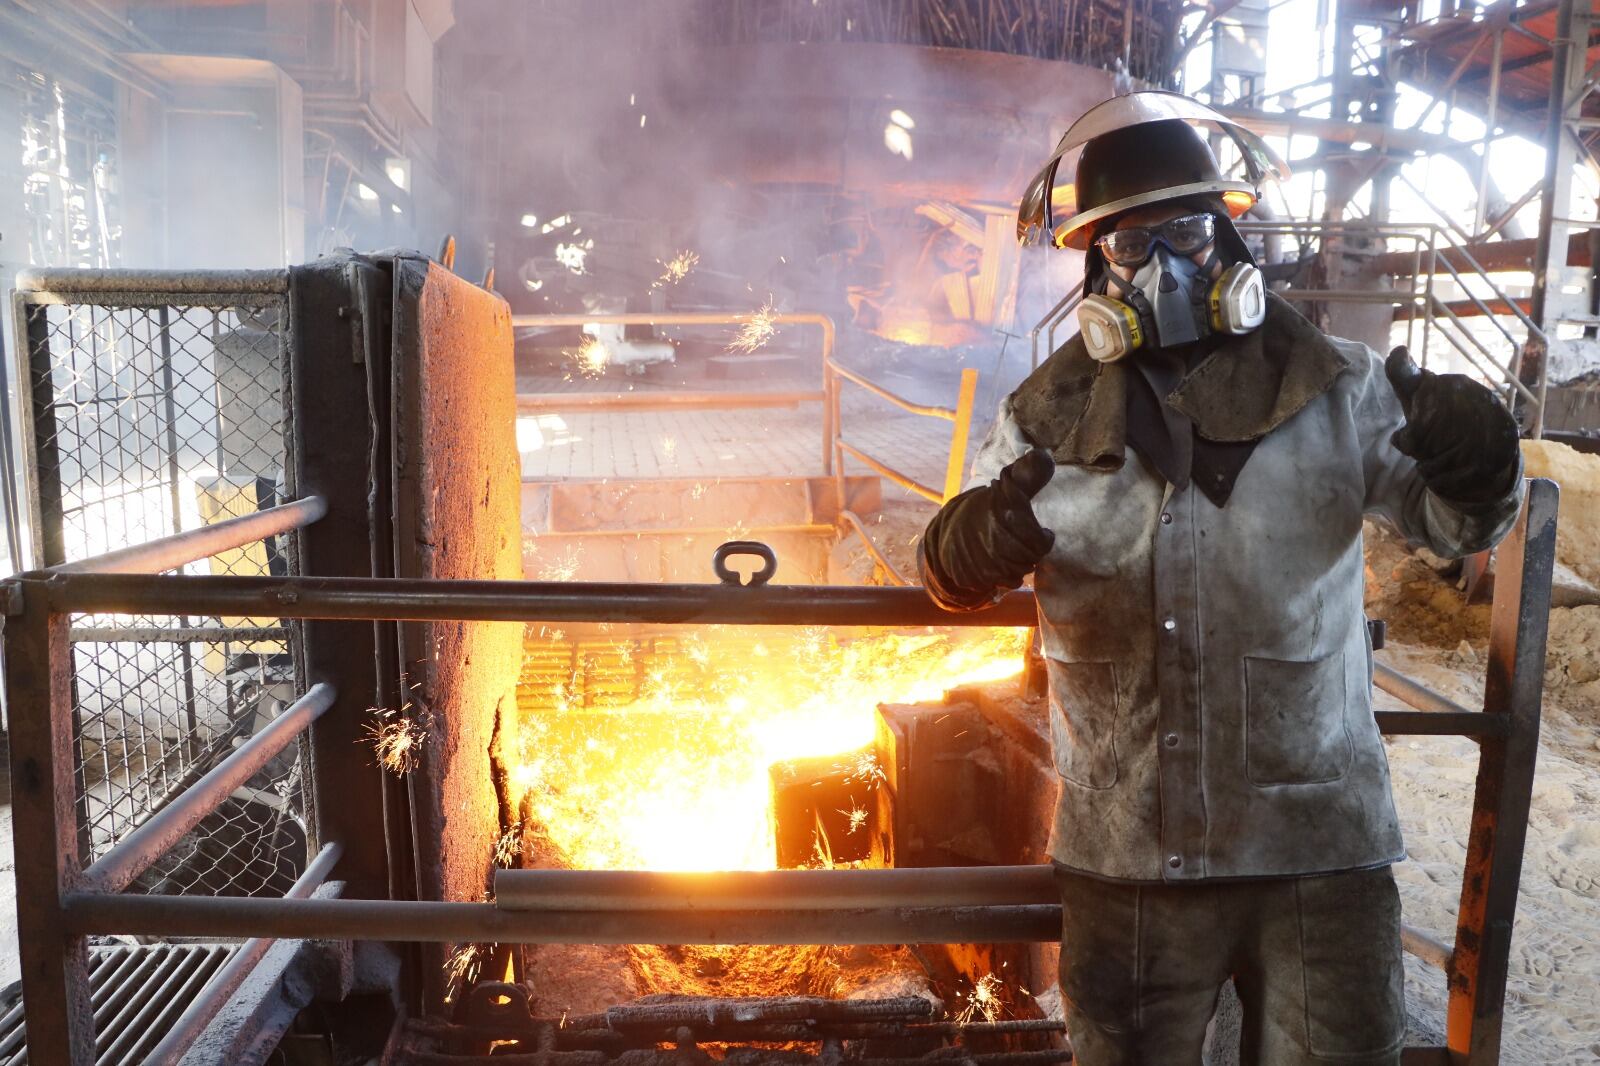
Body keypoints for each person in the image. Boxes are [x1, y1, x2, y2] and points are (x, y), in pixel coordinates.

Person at [917, 92, 1524, 1066]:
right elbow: (952, 571)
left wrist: (1478, 465)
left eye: (1187, 232)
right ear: (1094, 265)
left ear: (1234, 240)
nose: (1163, 265)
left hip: (1317, 853)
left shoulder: (1340, 387)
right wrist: (969, 544)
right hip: (1129, 855)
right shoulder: (1045, 419)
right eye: (1128, 245)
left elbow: (1452, 524)